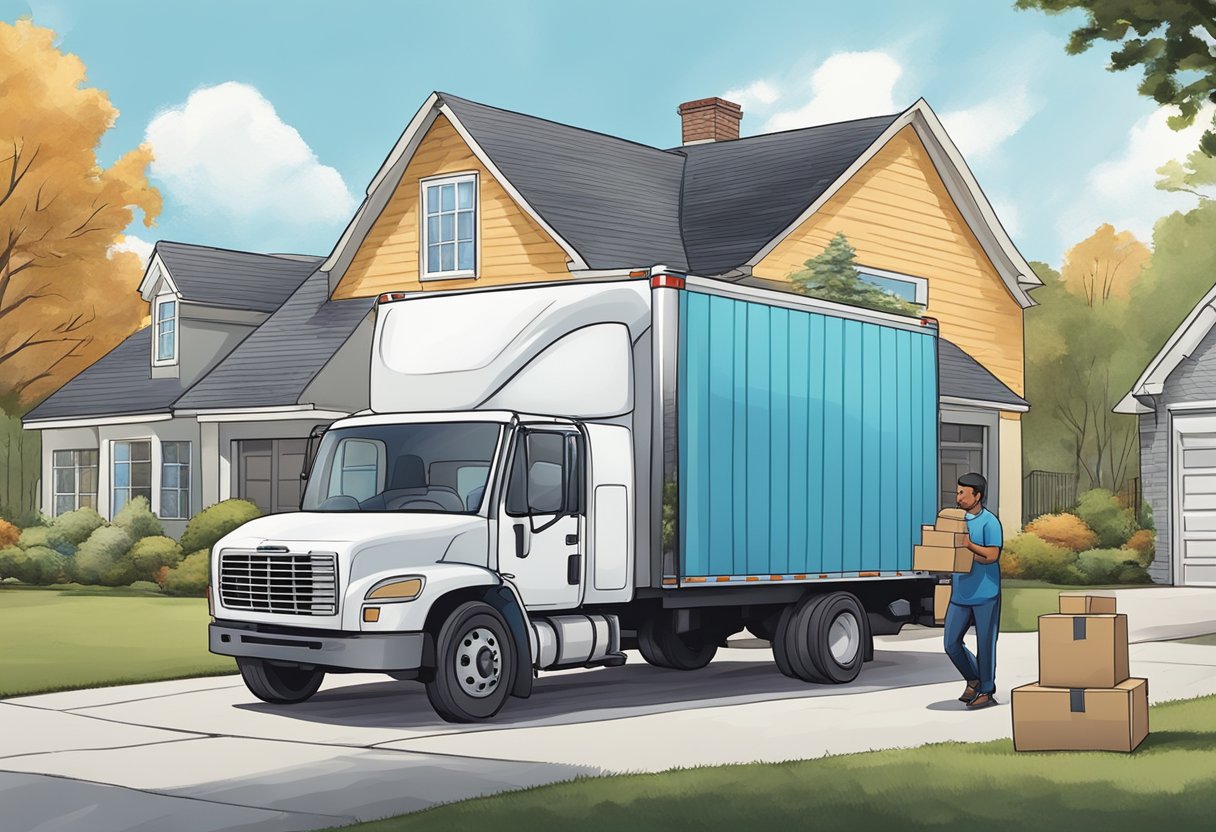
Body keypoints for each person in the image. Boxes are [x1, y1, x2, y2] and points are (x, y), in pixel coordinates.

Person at [943, 472, 1003, 709]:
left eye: (962, 493)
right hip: (960, 593)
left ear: (977, 496)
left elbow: (991, 556)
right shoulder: (956, 521)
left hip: (985, 593)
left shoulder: (990, 522)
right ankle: (975, 678)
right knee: (950, 643)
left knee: (986, 644)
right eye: (957, 492)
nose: (957, 498)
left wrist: (968, 545)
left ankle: (986, 691)